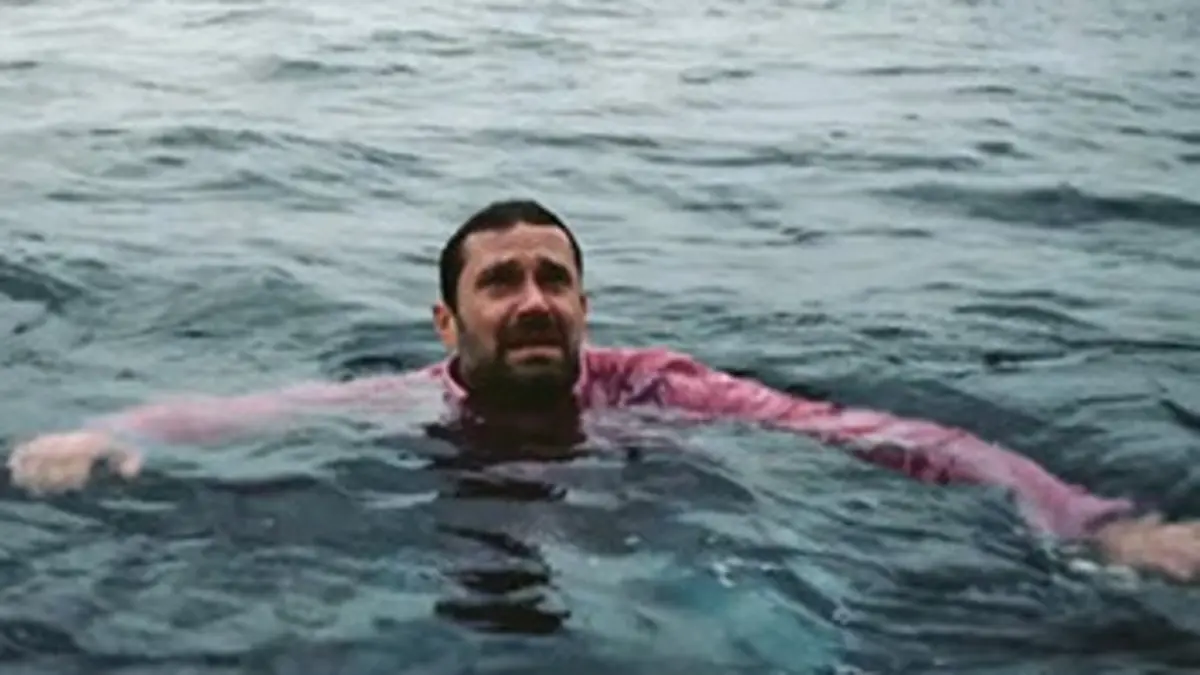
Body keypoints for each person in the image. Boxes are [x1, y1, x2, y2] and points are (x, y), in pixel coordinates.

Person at [8, 199, 1200, 581]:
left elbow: (886, 436)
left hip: (670, 544)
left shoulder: (661, 388)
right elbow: (245, 415)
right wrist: (105, 431)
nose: (534, 299)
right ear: (446, 322)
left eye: (555, 279)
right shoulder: (411, 400)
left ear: (584, 303)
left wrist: (1091, 523)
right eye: (501, 282)